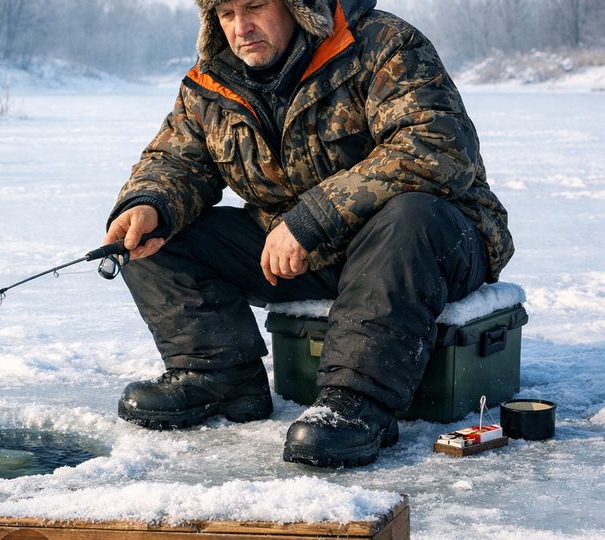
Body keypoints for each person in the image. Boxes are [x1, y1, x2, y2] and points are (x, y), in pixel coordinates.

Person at [102, 0, 513, 468]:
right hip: (303, 253)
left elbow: (435, 146)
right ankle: (218, 375)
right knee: (151, 238)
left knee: (409, 216)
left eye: (255, 6)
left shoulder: (380, 43)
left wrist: (312, 218)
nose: (241, 27)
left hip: (432, 241)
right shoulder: (210, 82)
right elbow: (175, 161)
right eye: (226, 14)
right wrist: (147, 204)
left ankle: (355, 405)